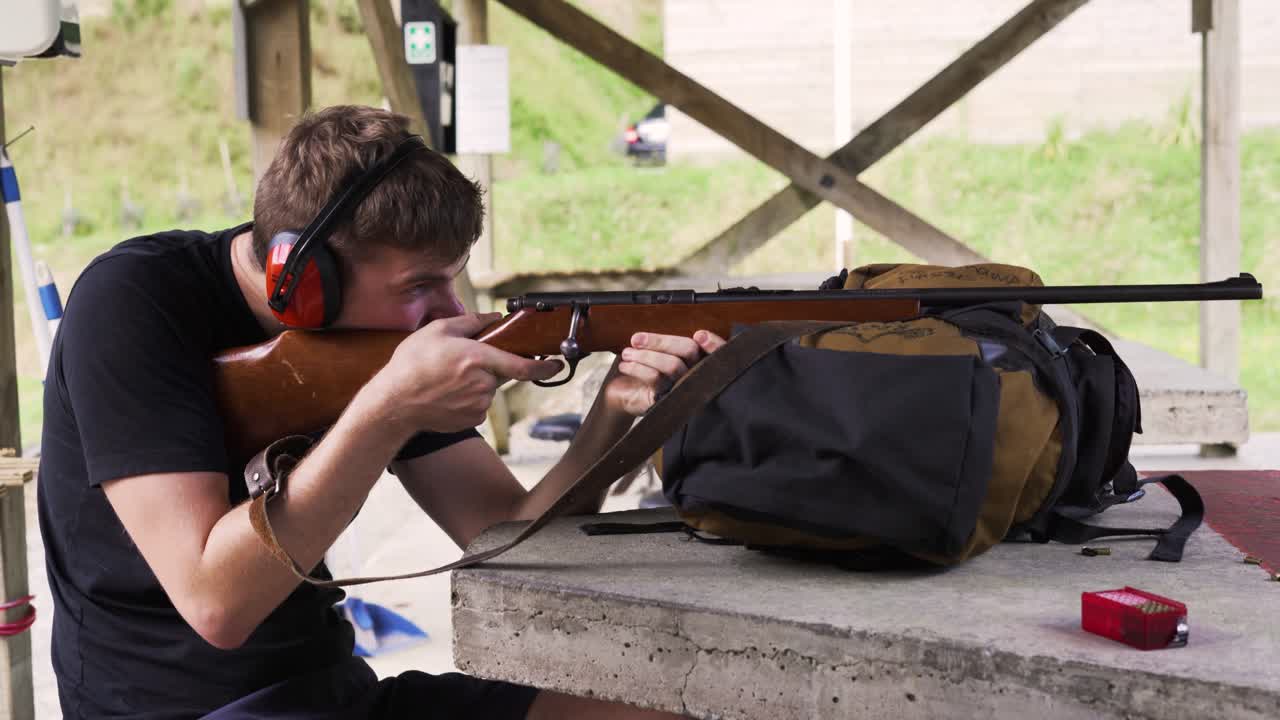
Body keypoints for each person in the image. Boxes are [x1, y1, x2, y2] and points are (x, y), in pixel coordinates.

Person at [37, 105, 726, 719]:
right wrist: (389, 408)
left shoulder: (376, 346)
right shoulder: (133, 303)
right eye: (421, 285)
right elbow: (217, 603)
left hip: (332, 692)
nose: (450, 313)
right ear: (304, 281)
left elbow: (512, 544)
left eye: (451, 279)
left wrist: (609, 422)